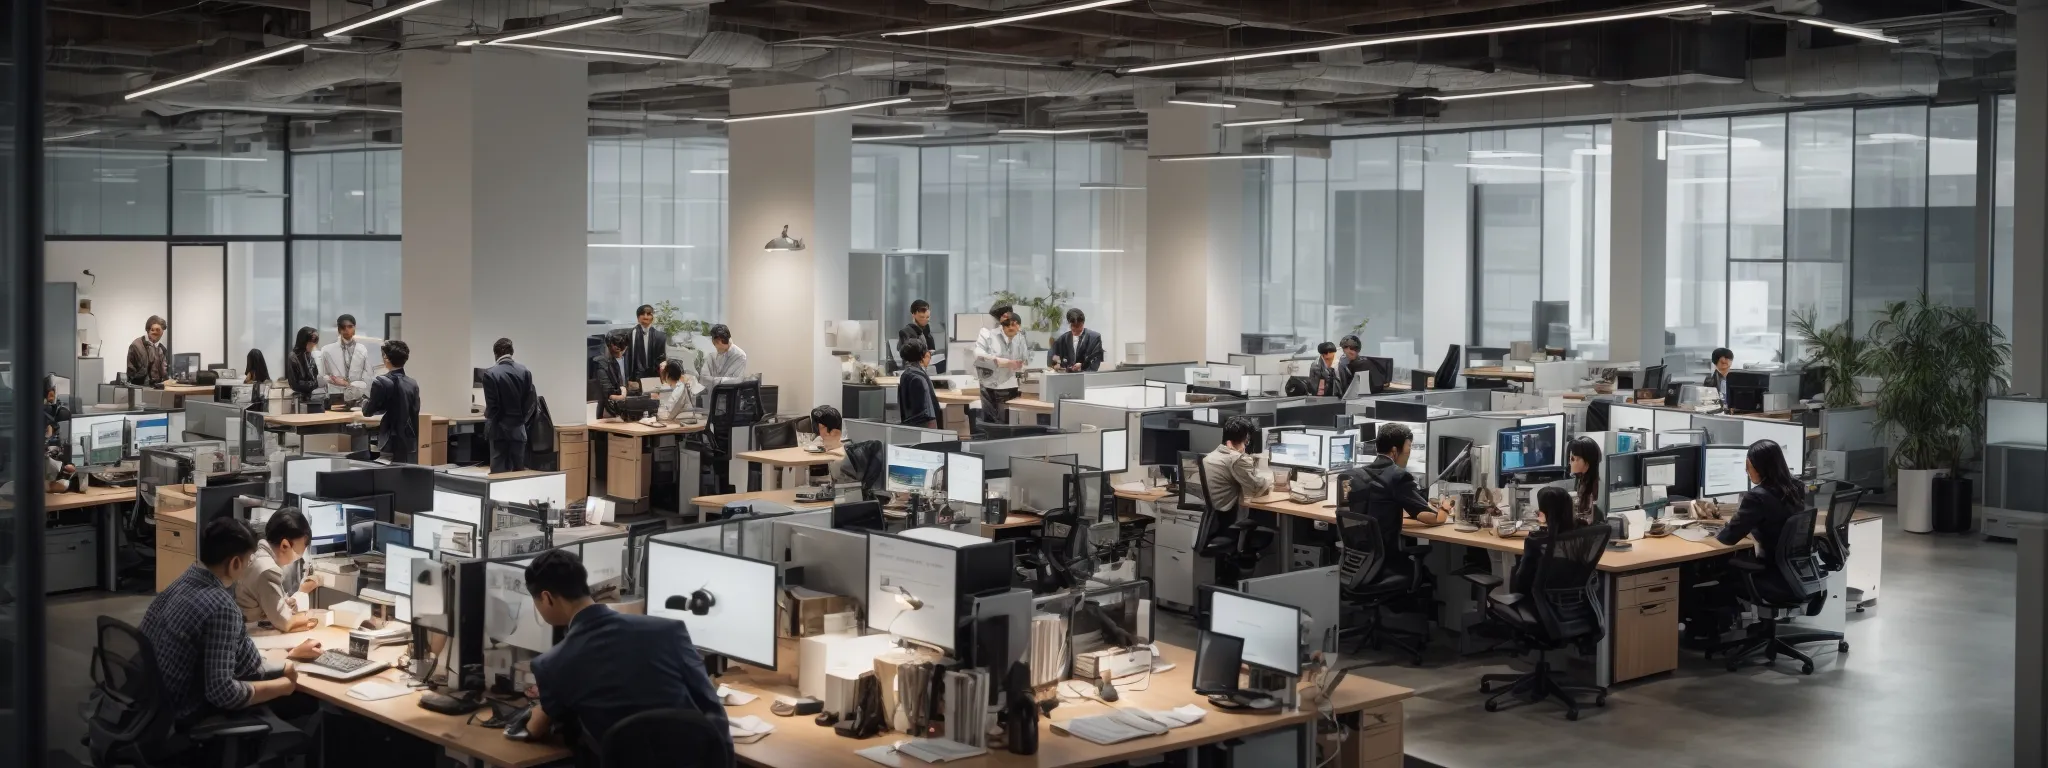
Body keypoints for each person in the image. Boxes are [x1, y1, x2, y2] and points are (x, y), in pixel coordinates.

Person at [523, 549, 730, 760]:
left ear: (547, 598)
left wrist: (537, 714)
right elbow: (710, 705)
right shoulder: (668, 631)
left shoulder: (552, 665)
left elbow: (538, 729)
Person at [141, 517, 322, 726]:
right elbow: (223, 692)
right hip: (190, 714)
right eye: (249, 560)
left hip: (155, 707)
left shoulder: (182, 582)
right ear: (236, 563)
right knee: (306, 701)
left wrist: (288, 658)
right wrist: (284, 685)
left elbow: (229, 659)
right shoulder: (222, 607)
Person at [1345, 423, 1450, 562]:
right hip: (1384, 560)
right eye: (1409, 448)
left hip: (1357, 560)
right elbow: (1434, 518)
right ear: (1394, 451)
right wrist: (1446, 507)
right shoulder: (1398, 476)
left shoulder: (1355, 474)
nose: (1409, 453)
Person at [1715, 439, 1806, 561]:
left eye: (1748, 465)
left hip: (1770, 564)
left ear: (1759, 466)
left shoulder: (1756, 497)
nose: (1746, 471)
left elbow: (1728, 538)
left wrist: (1712, 530)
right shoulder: (1797, 487)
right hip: (1793, 564)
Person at [235, 509, 323, 632]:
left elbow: (274, 605)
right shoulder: (267, 570)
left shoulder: (259, 555)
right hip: (253, 634)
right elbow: (286, 622)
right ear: (284, 545)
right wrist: (313, 617)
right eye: (298, 553)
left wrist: (288, 602)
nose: (299, 557)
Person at [1511, 487, 1584, 596]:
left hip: (1539, 603)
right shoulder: (1582, 533)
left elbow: (1521, 583)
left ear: (1545, 513)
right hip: (1575, 600)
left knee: (1514, 569)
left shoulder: (1536, 541)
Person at [481, 338, 539, 473]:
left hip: (498, 432)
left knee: (498, 473)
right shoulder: (524, 371)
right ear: (511, 352)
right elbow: (530, 402)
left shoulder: (490, 374)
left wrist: (490, 421)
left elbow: (493, 406)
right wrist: (520, 420)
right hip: (518, 430)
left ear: (496, 354)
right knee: (518, 472)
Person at [361, 340, 421, 463]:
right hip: (410, 441)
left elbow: (368, 411)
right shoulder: (412, 383)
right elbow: (415, 411)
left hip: (390, 441)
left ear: (386, 358)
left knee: (388, 476)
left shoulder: (381, 382)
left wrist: (364, 402)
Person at [1201, 416, 1274, 515]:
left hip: (1215, 515)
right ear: (1230, 443)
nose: (1245, 447)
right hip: (1231, 516)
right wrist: (1273, 479)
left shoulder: (1210, 456)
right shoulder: (1236, 459)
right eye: (1245, 442)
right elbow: (1257, 489)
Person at [974, 311, 1030, 423]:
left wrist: (1022, 364)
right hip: (989, 387)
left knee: (1007, 423)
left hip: (1010, 387)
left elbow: (1025, 359)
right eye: (1009, 326)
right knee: (990, 424)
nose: (1012, 329)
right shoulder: (988, 335)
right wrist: (1001, 362)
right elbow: (978, 355)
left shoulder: (1020, 337)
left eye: (1015, 327)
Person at [318, 314, 375, 401]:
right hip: (335, 393)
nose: (346, 329)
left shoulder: (362, 349)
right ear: (338, 329)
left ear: (354, 328)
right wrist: (334, 380)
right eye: (343, 327)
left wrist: (353, 384)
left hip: (357, 394)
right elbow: (322, 375)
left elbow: (368, 373)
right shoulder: (327, 350)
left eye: (350, 326)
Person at [896, 339, 942, 429]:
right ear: (922, 355)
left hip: (910, 427)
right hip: (923, 428)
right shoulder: (918, 378)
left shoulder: (907, 374)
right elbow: (926, 413)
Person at [813, 405, 860, 485]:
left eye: (821, 427)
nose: (819, 430)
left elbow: (838, 480)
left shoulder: (841, 456)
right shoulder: (822, 441)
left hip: (844, 490)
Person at [1049, 308, 1104, 373]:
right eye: (1072, 326)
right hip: (1066, 378)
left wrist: (1082, 366)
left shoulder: (1094, 338)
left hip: (1087, 378)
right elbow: (1053, 358)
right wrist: (1056, 364)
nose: (1074, 329)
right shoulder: (1062, 339)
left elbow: (1096, 359)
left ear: (1083, 323)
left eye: (1078, 326)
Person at [592, 330, 631, 419]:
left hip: (629, 409)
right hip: (609, 411)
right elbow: (608, 393)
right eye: (614, 344)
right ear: (609, 344)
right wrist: (623, 393)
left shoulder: (629, 361)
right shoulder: (601, 363)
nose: (618, 347)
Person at [627, 304, 669, 381]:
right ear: (638, 318)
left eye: (649, 314)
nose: (646, 317)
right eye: (642, 314)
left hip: (654, 375)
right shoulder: (630, 334)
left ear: (652, 318)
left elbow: (662, 358)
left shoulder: (660, 336)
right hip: (635, 376)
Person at [1567, 437, 1604, 525]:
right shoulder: (1580, 480)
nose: (1570, 463)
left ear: (1587, 464)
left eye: (1573, 459)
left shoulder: (1596, 488)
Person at [126, 315, 169, 386]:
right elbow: (131, 375)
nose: (157, 333)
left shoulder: (162, 349)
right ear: (148, 330)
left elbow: (164, 373)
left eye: (160, 331)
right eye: (153, 330)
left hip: (158, 390)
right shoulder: (136, 346)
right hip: (140, 389)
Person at [285, 326, 321, 405]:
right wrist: (316, 383)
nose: (312, 346)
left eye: (314, 343)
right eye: (310, 343)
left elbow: (315, 374)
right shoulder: (293, 357)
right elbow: (295, 384)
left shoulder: (311, 356)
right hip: (299, 400)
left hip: (314, 397)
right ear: (303, 341)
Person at [898, 299, 937, 370]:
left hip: (926, 370)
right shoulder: (905, 332)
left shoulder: (927, 333)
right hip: (912, 370)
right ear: (914, 314)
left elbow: (931, 351)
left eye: (927, 317)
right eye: (922, 316)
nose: (925, 319)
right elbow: (907, 356)